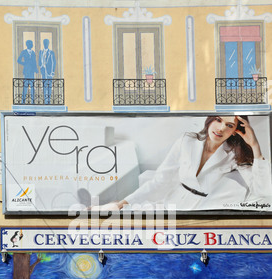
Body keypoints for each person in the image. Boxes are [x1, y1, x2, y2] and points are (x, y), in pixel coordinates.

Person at [94, 115, 271, 212]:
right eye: (218, 120)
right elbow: (161, 181)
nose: (221, 128)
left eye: (229, 125)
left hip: (203, 210)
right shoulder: (187, 141)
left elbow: (264, 191)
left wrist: (254, 146)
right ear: (210, 119)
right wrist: (123, 203)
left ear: (235, 132)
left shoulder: (234, 155)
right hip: (173, 202)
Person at [17, 39, 38, 104]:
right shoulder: (23, 52)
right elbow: (18, 60)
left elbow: (34, 62)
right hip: (26, 71)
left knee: (32, 86)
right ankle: (23, 101)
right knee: (25, 86)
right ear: (27, 45)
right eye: (30, 44)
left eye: (32, 44)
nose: (31, 45)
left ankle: (33, 101)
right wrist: (25, 64)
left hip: (32, 71)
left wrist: (36, 69)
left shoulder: (33, 52)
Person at [39, 38, 56, 104]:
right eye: (44, 43)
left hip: (49, 72)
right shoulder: (41, 52)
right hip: (43, 71)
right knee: (44, 85)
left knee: (49, 85)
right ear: (43, 44)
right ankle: (44, 99)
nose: (46, 44)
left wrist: (52, 72)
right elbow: (39, 61)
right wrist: (41, 66)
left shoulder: (51, 52)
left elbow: (54, 62)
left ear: (48, 44)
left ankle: (49, 100)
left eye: (47, 43)